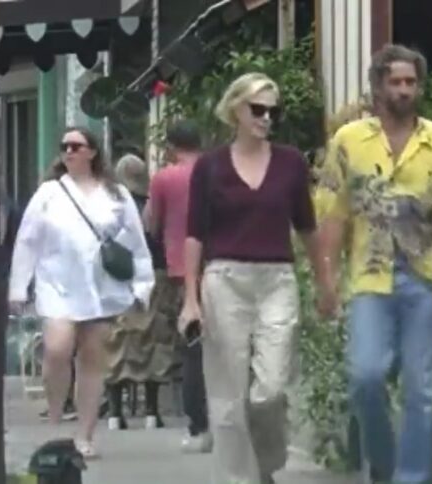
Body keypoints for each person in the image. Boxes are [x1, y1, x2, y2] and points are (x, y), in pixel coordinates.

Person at [316, 44, 432, 484]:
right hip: (370, 277)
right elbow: (333, 214)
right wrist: (327, 280)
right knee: (365, 376)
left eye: (411, 82)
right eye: (396, 82)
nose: (404, 90)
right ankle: (384, 465)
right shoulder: (348, 142)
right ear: (378, 86)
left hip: (427, 280)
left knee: (421, 390)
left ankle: (412, 478)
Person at [179, 72, 329, 484]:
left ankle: (265, 464)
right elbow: (194, 233)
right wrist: (190, 298)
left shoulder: (291, 163)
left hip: (277, 279)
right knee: (228, 393)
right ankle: (238, 479)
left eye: (273, 112)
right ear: (236, 110)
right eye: (258, 109)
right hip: (224, 278)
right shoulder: (210, 166)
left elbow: (307, 227)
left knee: (271, 389)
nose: (266, 118)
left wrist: (324, 282)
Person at [9, 127, 155, 459]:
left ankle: (85, 434)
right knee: (57, 348)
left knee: (92, 358)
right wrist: (18, 286)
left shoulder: (116, 194)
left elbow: (135, 242)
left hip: (101, 287)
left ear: (93, 151)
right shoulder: (49, 193)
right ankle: (56, 419)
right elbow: (27, 240)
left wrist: (142, 285)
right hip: (57, 284)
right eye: (65, 147)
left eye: (76, 146)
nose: (69, 152)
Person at [143, 120, 211, 453]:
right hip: (220, 265)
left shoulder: (164, 178)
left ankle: (199, 425)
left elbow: (151, 224)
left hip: (180, 270)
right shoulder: (216, 172)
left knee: (192, 349)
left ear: (170, 146)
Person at [103, 153, 174, 430]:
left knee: (115, 341)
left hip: (116, 277)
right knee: (153, 340)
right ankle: (152, 413)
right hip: (153, 276)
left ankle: (114, 413)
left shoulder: (109, 206)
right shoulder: (152, 206)